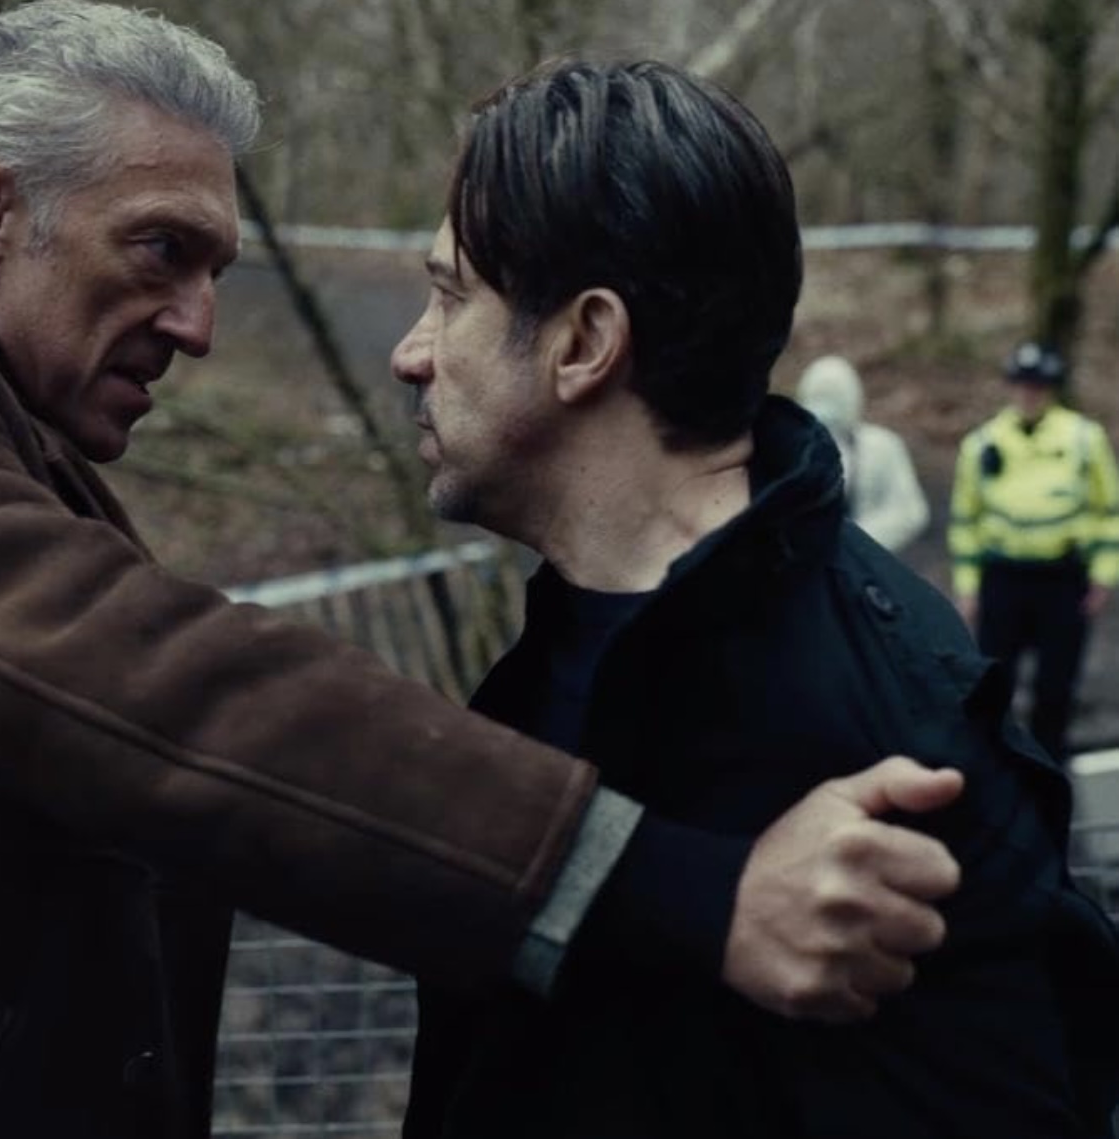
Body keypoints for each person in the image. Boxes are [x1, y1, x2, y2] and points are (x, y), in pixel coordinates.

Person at [0, 9, 964, 1139]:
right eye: (160, 251)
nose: (198, 324)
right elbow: (160, 689)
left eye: (215, 270)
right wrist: (679, 885)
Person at [391, 59, 1119, 1138]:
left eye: (451, 295)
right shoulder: (549, 659)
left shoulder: (902, 748)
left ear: (584, 343)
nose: (410, 352)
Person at [950, 341, 1119, 763]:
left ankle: (1050, 767)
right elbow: (965, 520)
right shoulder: (982, 443)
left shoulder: (1083, 439)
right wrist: (968, 586)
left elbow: (1109, 511)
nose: (1029, 394)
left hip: (1062, 577)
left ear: (1052, 388)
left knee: (1055, 685)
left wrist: (1104, 574)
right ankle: (995, 768)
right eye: (1022, 384)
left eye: (1038, 385)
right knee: (994, 680)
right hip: (1003, 577)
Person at [796, 354, 930, 553]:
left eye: (835, 399)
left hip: (869, 559)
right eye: (819, 398)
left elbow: (910, 511)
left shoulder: (882, 447)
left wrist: (857, 541)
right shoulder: (791, 450)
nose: (827, 408)